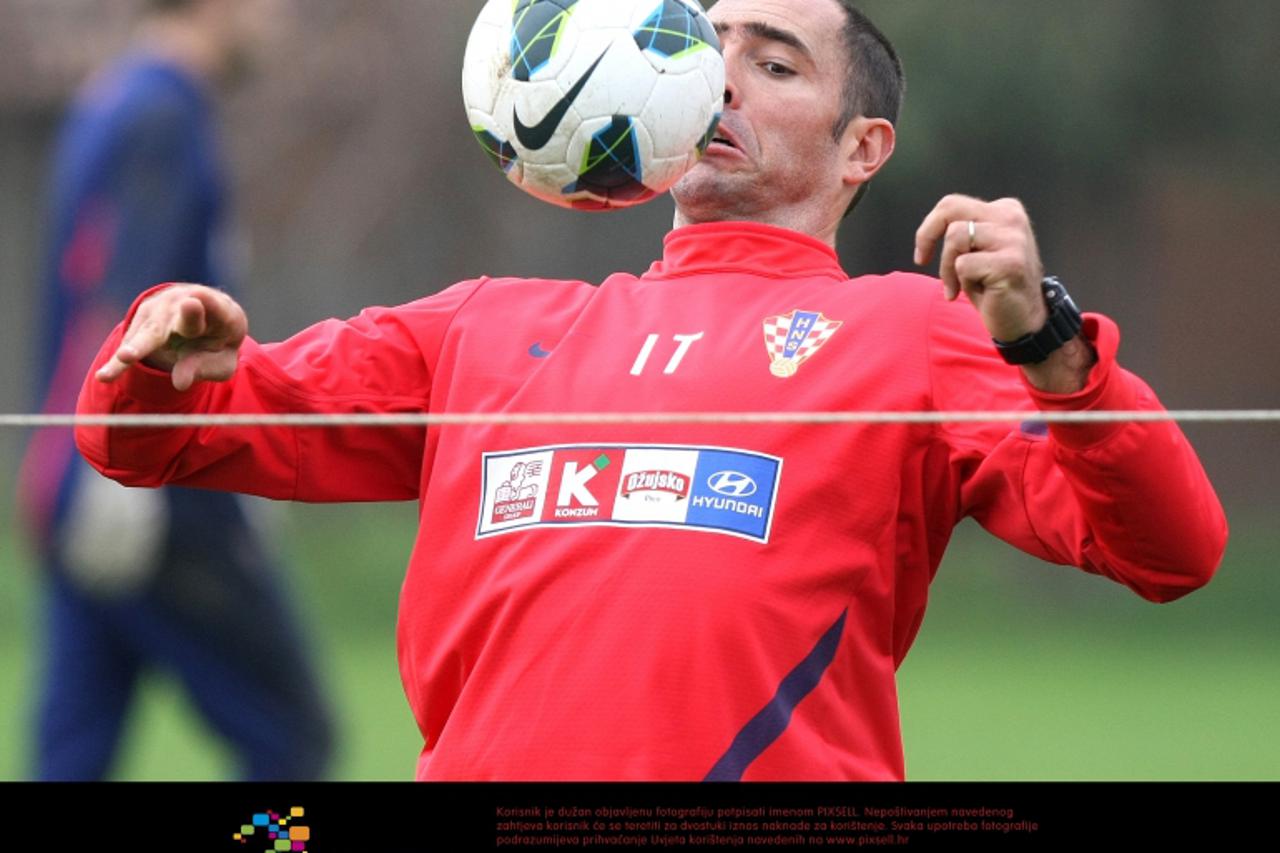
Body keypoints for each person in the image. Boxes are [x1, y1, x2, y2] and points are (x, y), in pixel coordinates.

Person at [73, 0, 1227, 781]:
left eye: (772, 63)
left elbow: (1172, 551)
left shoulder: (911, 330)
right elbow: (152, 440)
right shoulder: (486, 325)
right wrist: (165, 342)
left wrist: (1055, 353)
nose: (716, 78)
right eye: (696, 43)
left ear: (861, 149)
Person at [18, 0, 333, 780]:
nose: (281, 21)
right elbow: (124, 296)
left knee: (72, 752)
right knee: (290, 739)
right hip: (149, 488)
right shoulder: (162, 115)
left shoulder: (113, 100)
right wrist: (115, 478)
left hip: (72, 477)